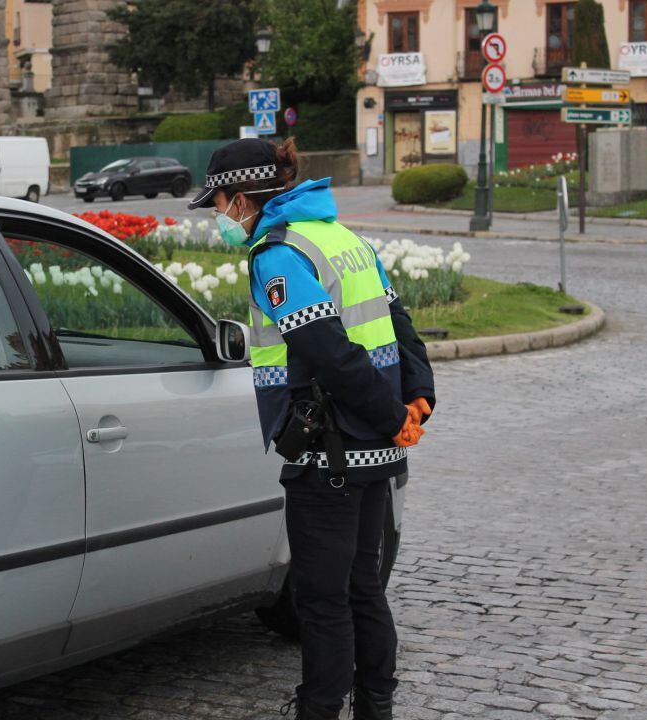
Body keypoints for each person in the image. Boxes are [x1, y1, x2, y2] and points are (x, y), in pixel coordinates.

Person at [189, 138, 436, 720]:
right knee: (363, 588)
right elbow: (400, 323)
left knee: (321, 600)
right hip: (373, 449)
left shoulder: (278, 254)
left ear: (243, 198)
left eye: (219, 202)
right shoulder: (342, 237)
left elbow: (328, 353)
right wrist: (418, 398)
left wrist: (391, 415)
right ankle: (377, 707)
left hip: (330, 451)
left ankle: (319, 709)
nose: (219, 215)